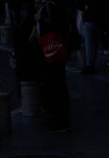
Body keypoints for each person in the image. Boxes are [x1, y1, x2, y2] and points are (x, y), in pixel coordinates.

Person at [32, 0, 72, 131]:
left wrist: (40, 19)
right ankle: (57, 118)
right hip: (53, 51)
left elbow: (54, 26)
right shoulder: (52, 6)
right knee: (55, 85)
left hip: (52, 51)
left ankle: (60, 120)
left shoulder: (50, 7)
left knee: (55, 85)